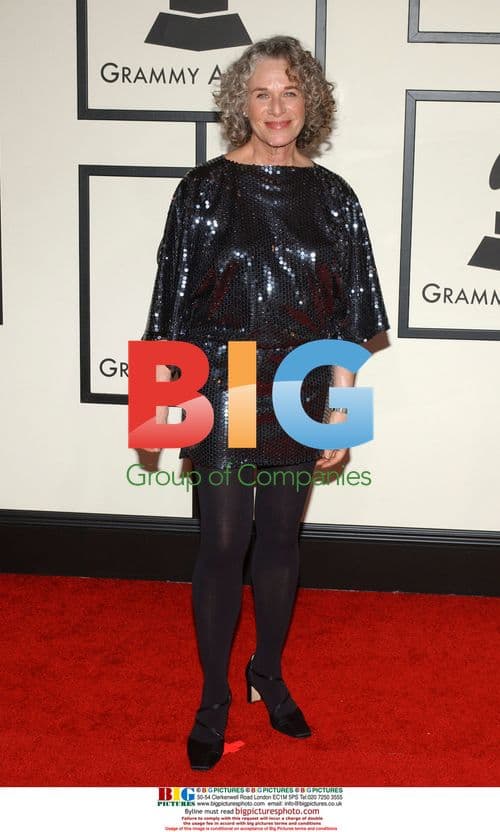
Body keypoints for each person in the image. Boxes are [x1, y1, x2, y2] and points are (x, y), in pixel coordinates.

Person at [140, 35, 390, 770]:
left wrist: (342, 412)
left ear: (309, 100)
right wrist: (158, 412)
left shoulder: (336, 198)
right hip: (226, 381)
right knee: (223, 542)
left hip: (299, 383)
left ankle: (268, 673)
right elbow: (169, 307)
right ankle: (213, 697)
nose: (276, 107)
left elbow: (351, 318)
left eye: (290, 91)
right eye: (261, 93)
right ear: (239, 103)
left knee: (281, 541)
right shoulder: (203, 190)